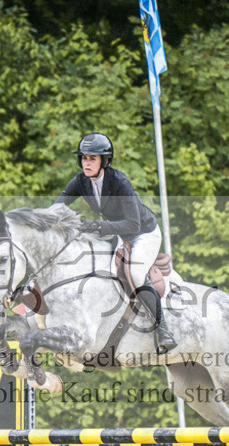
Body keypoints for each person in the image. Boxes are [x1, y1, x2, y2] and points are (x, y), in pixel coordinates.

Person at [53, 132, 177, 354]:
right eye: (83, 158)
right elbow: (58, 206)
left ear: (105, 161)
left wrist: (100, 227)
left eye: (92, 158)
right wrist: (39, 220)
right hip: (119, 232)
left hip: (143, 233)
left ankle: (163, 330)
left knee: (136, 274)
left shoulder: (120, 183)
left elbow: (133, 224)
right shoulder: (81, 180)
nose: (86, 163)